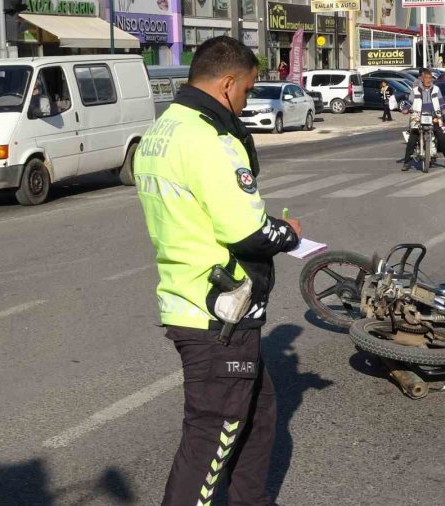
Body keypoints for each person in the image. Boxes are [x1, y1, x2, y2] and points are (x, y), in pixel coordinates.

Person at [133, 36, 302, 506]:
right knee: (212, 436)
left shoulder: (164, 128)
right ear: (227, 83)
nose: (247, 101)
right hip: (217, 313)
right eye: (247, 90)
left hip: (190, 296)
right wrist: (288, 234)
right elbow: (248, 232)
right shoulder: (208, 139)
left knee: (259, 410)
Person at [401, 68, 445, 170]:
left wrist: (444, 110)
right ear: (422, 79)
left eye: (430, 78)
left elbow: (441, 102)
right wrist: (405, 109)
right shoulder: (415, 90)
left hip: (434, 115)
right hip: (418, 115)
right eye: (426, 78)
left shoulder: (436, 89)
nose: (428, 80)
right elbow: (409, 102)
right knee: (413, 136)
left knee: (441, 135)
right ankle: (406, 162)